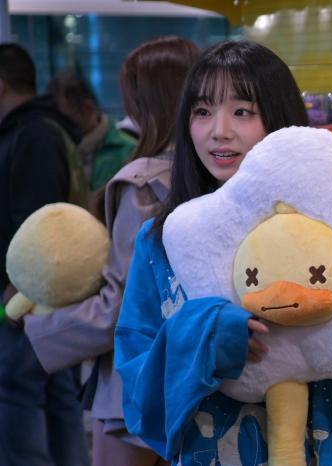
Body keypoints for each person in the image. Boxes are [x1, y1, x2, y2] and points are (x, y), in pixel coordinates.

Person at [114, 40, 332, 466]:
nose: (219, 130)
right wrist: (206, 337)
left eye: (243, 111)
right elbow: (140, 399)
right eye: (202, 111)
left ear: (280, 118)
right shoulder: (164, 241)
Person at [22, 36, 200, 466]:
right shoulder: (210, 174)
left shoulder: (144, 185)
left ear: (142, 100)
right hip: (196, 376)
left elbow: (121, 307)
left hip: (134, 383)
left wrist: (38, 331)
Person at [0, 42, 90, 466]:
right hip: (42, 294)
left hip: (28, 294)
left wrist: (19, 289)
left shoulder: (32, 135)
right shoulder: (42, 130)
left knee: (19, 393)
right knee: (57, 396)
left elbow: (39, 224)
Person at [46, 71, 136, 202]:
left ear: (88, 108)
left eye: (66, 120)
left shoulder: (128, 150)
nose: (62, 127)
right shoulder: (57, 150)